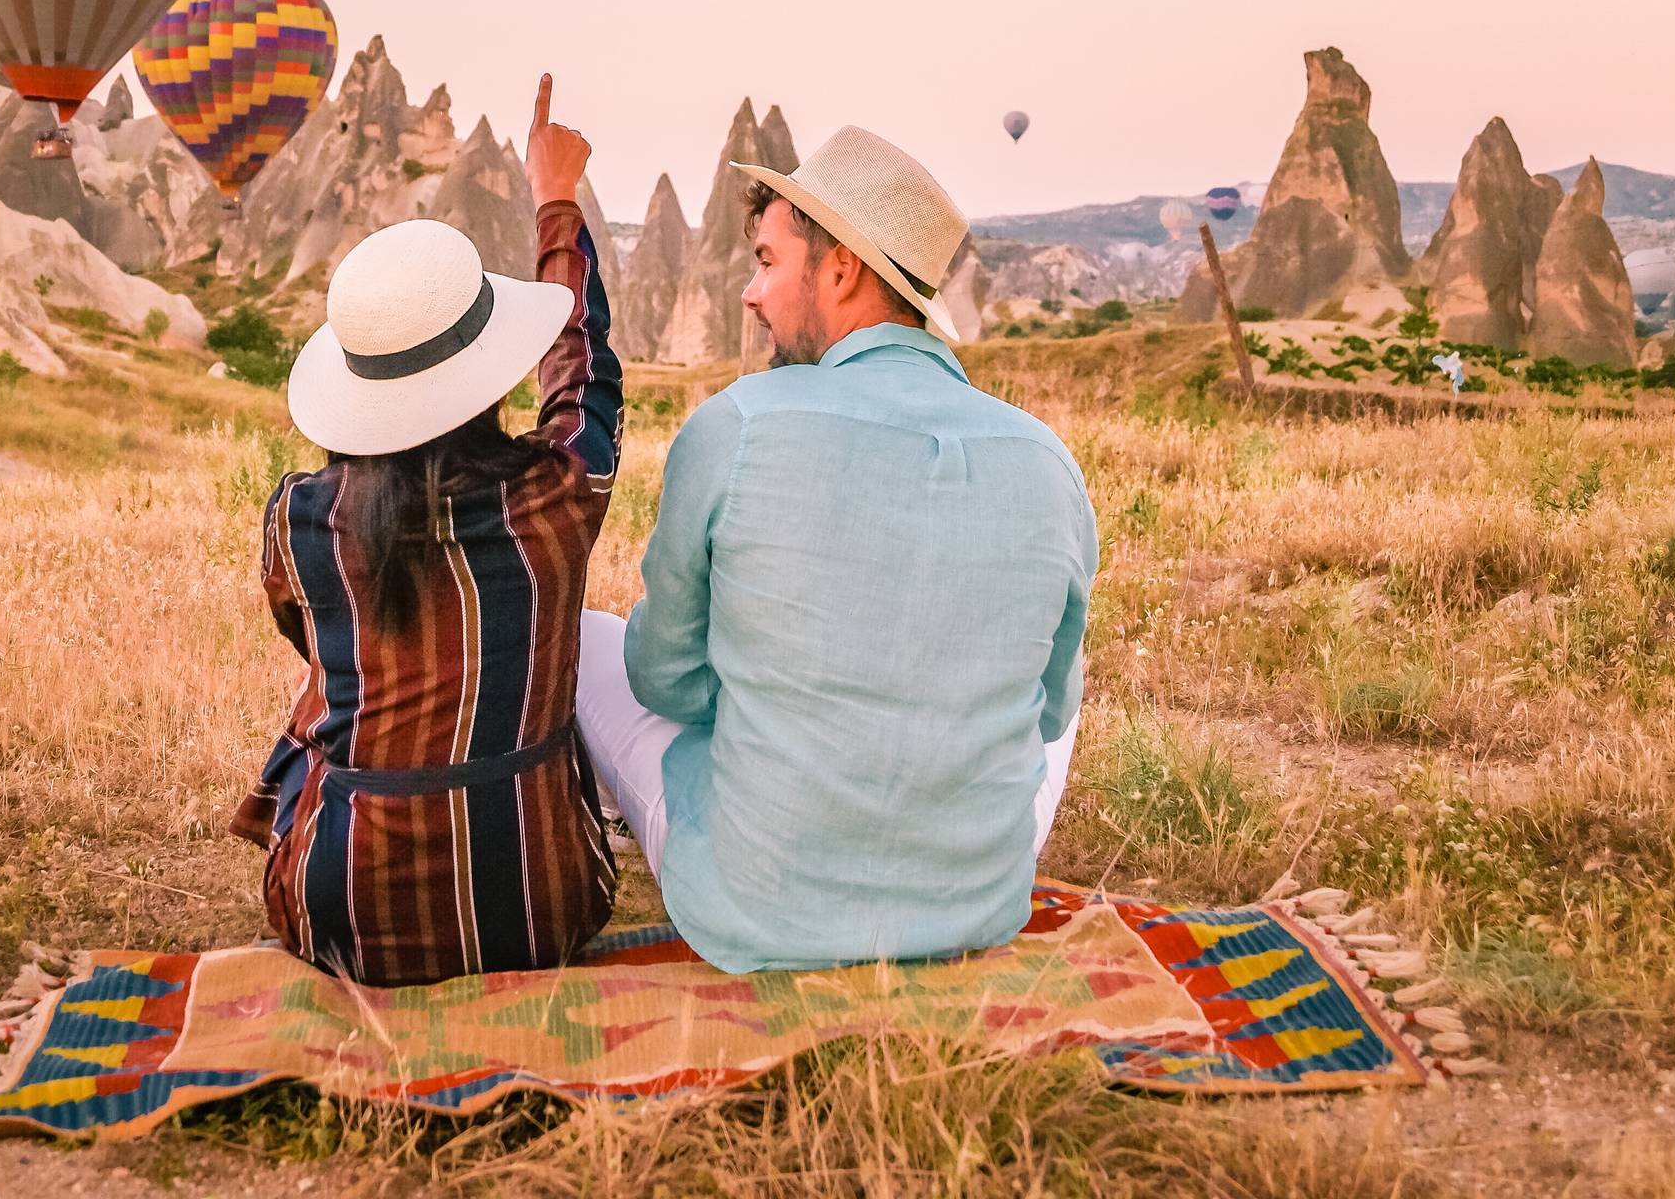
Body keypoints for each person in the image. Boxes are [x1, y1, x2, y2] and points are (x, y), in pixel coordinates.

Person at [576, 125, 1098, 973]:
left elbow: (661, 679)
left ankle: (605, 836)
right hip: (977, 905)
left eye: (768, 261)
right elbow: (1045, 713)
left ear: (842, 268)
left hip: (758, 907)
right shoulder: (1047, 460)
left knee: (583, 641)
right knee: (1058, 683)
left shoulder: (735, 426)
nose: (751, 292)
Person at [231, 75, 623, 985]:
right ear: (488, 373)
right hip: (540, 912)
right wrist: (554, 201)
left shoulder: (301, 521)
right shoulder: (557, 497)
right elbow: (586, 371)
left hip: (342, 922)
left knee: (331, 685)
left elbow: (311, 639)